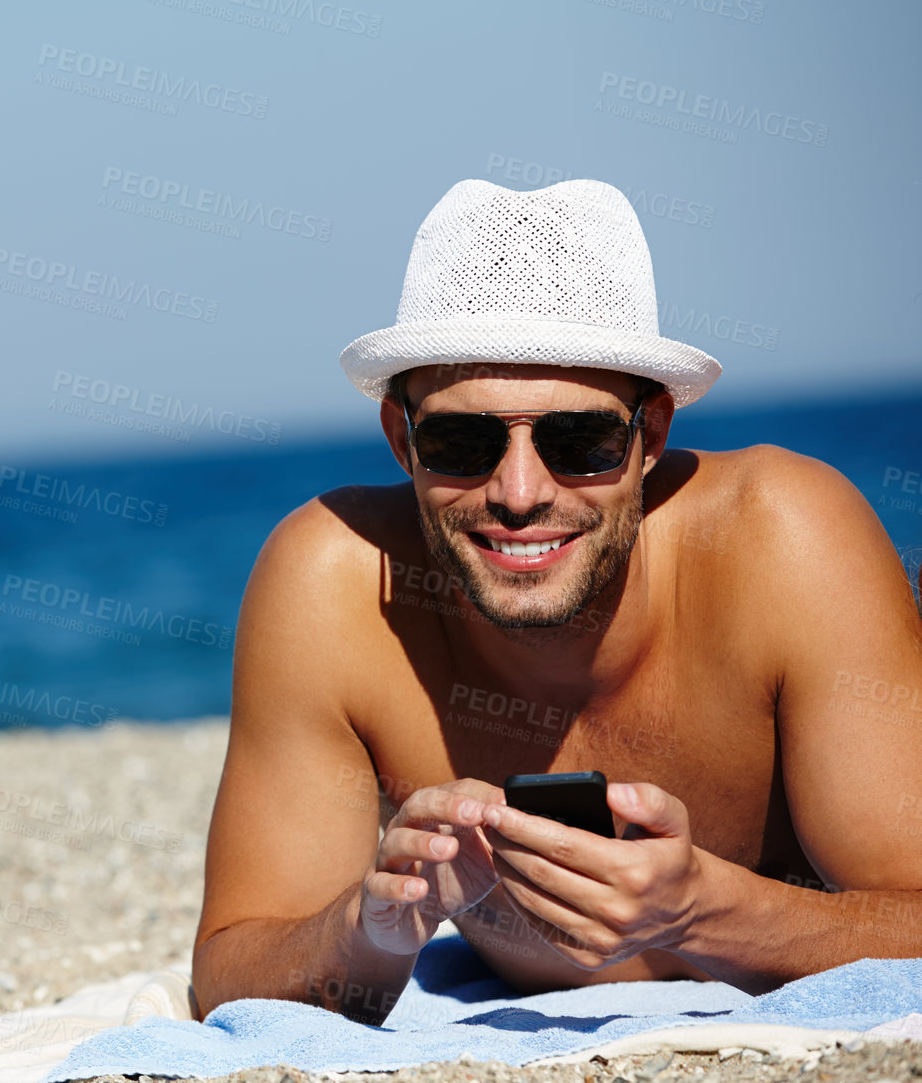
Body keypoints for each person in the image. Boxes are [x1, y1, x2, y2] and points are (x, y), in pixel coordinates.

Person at [192, 179, 922, 1025]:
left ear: (650, 438)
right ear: (401, 441)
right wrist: (369, 930)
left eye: (581, 442)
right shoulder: (332, 580)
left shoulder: (784, 539)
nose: (519, 491)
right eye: (461, 442)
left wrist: (707, 910)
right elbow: (230, 969)